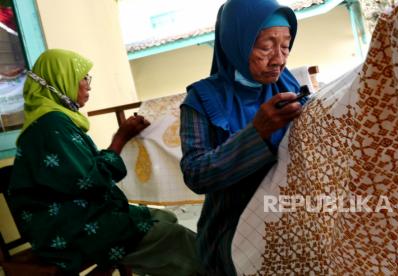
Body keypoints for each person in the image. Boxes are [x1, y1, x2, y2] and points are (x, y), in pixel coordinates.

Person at [8, 49, 201, 275]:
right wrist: (120, 138)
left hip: (76, 214)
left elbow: (80, 172)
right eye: (83, 78)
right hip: (67, 228)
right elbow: (90, 181)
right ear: (62, 80)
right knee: (176, 238)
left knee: (165, 217)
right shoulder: (51, 125)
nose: (88, 85)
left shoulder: (56, 121)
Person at [179, 0, 307, 274]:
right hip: (233, 228)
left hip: (291, 217)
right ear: (236, 42)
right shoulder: (201, 99)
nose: (279, 59)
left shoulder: (287, 85)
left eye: (285, 46)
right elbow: (195, 174)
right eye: (265, 47)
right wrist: (256, 132)